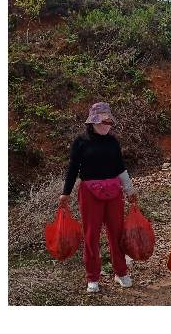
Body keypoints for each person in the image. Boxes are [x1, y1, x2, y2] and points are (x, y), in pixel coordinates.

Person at [59, 101, 136, 294]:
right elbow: (73, 169)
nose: (106, 124)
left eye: (108, 121)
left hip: (113, 192)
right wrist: (65, 193)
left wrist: (130, 190)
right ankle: (92, 276)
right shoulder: (81, 142)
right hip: (89, 193)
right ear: (92, 121)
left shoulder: (113, 141)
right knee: (91, 235)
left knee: (116, 232)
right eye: (102, 121)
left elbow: (120, 167)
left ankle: (121, 272)